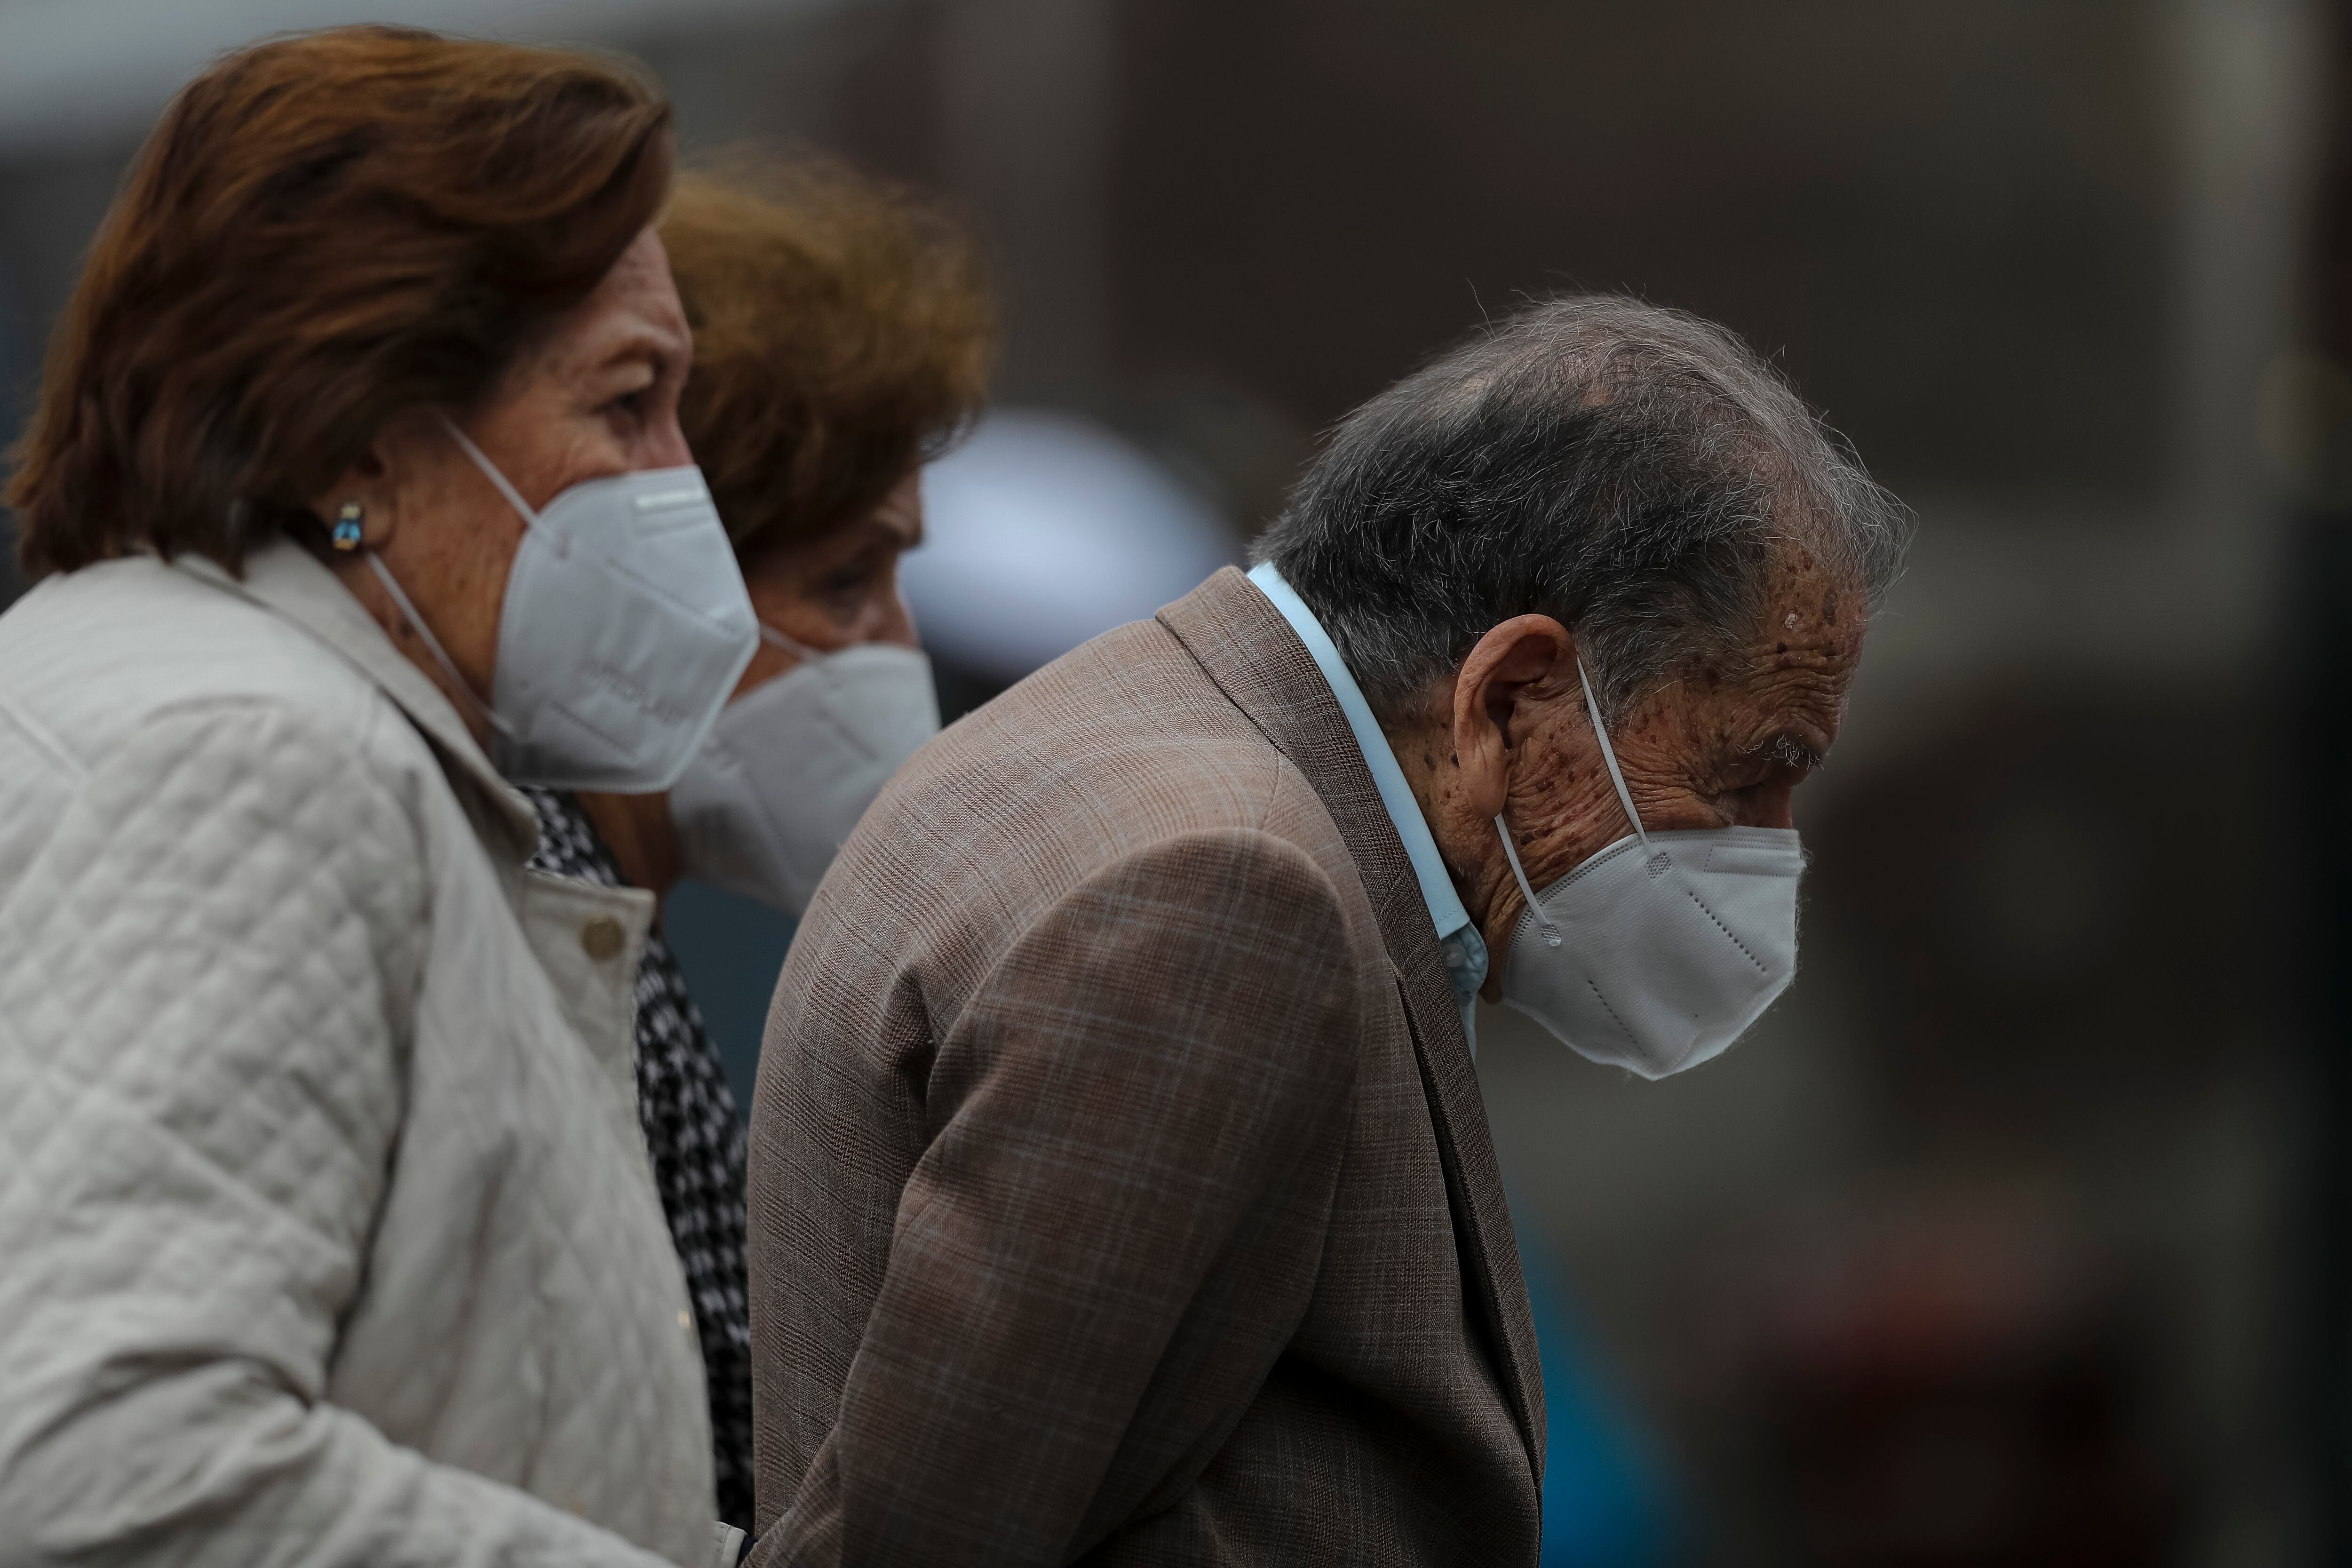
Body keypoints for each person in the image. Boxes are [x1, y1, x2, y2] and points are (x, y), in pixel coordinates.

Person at [746, 295, 1911, 1564]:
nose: (1769, 846)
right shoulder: (1225, 894)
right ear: (1512, 699)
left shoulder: (1172, 754)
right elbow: (933, 1545)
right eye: (1748, 774)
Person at [0, 28, 755, 1567]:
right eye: (628, 403)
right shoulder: (258, 758)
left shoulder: (166, 683)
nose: (683, 479)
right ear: (360, 436)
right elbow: (109, 1463)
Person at [516, 157, 994, 1532]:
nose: (897, 656)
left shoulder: (613, 931)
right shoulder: (522, 911)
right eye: (847, 580)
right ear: (657, 577)